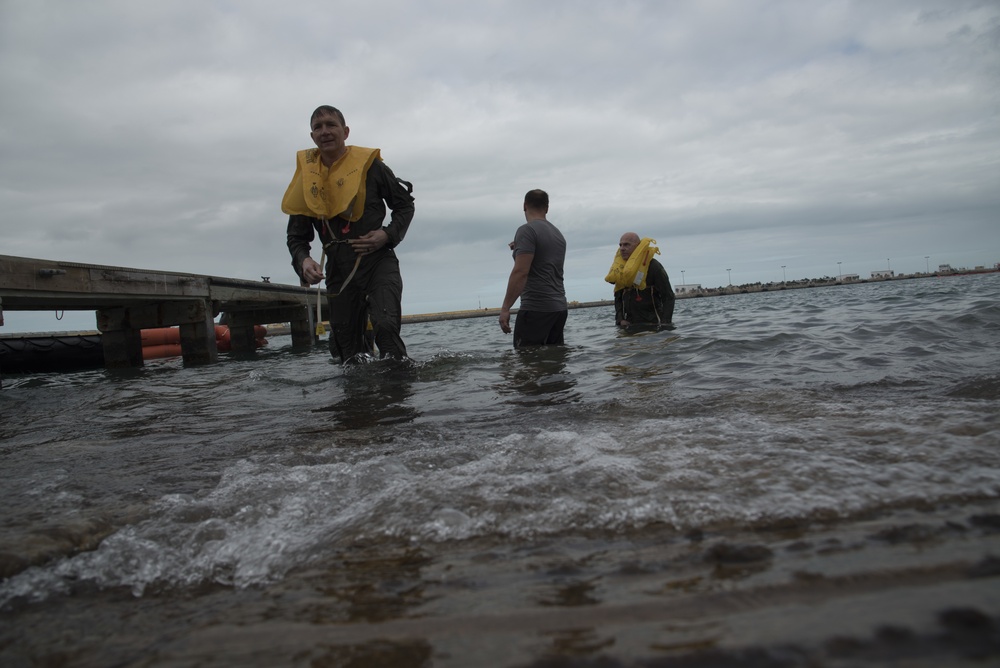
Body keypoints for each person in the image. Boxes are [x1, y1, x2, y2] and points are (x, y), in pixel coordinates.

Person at [283, 105, 415, 363]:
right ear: (312, 137)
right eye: (318, 128)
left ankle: (397, 397)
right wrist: (303, 261)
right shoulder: (307, 181)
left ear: (345, 131)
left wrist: (387, 235)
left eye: (331, 125)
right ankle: (357, 401)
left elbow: (404, 205)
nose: (325, 132)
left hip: (378, 261)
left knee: (385, 327)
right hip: (338, 269)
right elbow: (296, 238)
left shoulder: (372, 168)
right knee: (346, 350)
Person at [498, 189, 568, 348]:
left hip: (536, 309)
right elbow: (544, 261)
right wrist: (520, 248)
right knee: (553, 364)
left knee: (526, 362)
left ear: (524, 206)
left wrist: (505, 308)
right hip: (559, 309)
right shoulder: (558, 234)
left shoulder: (526, 230)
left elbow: (521, 272)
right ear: (547, 208)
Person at [607, 232, 675, 329]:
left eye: (626, 244)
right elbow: (618, 298)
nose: (622, 248)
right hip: (629, 326)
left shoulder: (654, 267)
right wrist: (620, 320)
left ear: (638, 246)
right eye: (620, 245)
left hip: (654, 325)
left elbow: (669, 297)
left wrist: (665, 323)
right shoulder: (620, 270)